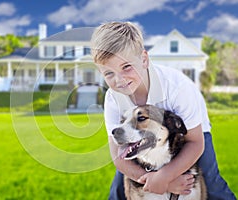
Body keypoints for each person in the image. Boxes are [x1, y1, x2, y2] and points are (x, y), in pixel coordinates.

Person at [90, 21, 236, 200]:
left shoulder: (177, 87)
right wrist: (158, 182)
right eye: (109, 73)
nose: (119, 80)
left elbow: (195, 143)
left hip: (192, 132)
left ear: (144, 59)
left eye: (126, 67)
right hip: (137, 138)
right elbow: (117, 155)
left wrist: (165, 176)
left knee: (212, 184)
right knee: (119, 189)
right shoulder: (113, 97)